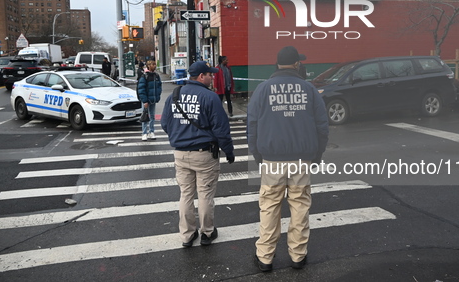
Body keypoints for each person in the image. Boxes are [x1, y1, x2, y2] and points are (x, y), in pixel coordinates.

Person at [247, 46, 329, 272]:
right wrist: (317, 155)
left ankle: (265, 257)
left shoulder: (262, 90)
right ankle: (298, 255)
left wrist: (258, 156)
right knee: (300, 206)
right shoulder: (309, 90)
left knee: (269, 207)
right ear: (296, 65)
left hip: (272, 160)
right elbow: (322, 126)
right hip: (302, 160)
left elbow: (252, 126)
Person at [161, 61, 236, 248]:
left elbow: (164, 123)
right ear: (201, 76)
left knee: (186, 194)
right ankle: (207, 232)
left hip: (180, 154)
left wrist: (180, 136)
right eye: (210, 75)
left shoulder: (175, 95)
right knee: (205, 195)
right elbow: (221, 129)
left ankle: (187, 235)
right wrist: (228, 151)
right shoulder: (210, 98)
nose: (212, 77)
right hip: (204, 155)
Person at [137, 59, 162, 141]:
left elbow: (159, 86)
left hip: (153, 99)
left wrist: (158, 95)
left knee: (152, 116)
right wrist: (144, 101)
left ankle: (151, 131)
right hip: (146, 100)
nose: (154, 66)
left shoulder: (156, 75)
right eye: (153, 64)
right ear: (148, 66)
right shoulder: (144, 76)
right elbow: (141, 89)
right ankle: (144, 133)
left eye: (155, 64)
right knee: (145, 116)